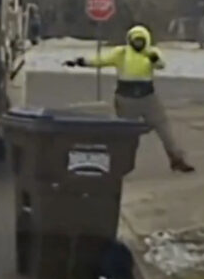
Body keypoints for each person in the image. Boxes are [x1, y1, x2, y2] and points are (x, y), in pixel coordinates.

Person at [64, 25, 195, 173]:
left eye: (141, 40)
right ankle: (121, 163)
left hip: (148, 98)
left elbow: (160, 65)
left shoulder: (151, 52)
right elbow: (101, 60)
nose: (138, 43)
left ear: (146, 40)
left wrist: (154, 59)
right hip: (126, 99)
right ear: (130, 40)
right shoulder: (121, 53)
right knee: (127, 135)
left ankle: (177, 159)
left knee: (165, 130)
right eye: (135, 40)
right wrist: (81, 62)